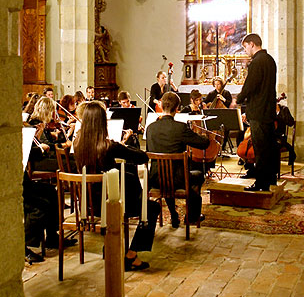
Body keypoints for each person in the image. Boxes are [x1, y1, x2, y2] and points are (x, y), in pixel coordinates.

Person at [73, 101, 160, 271]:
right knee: (152, 208)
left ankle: (112, 247)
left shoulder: (77, 144)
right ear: (101, 123)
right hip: (111, 203)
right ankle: (131, 254)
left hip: (90, 203)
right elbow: (142, 157)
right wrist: (123, 144)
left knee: (126, 172)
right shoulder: (108, 146)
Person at [146, 92, 209, 228]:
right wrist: (202, 133)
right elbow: (204, 143)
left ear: (161, 106)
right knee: (198, 175)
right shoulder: (180, 128)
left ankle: (174, 214)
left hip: (155, 178)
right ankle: (192, 216)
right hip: (178, 179)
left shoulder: (150, 128)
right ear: (177, 109)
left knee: (166, 174)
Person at [233, 33, 279, 191]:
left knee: (259, 150)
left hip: (258, 112)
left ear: (252, 44)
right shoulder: (270, 60)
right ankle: (271, 179)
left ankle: (261, 184)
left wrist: (237, 99)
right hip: (268, 111)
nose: (245, 50)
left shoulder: (256, 62)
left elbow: (250, 86)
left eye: (245, 47)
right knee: (270, 147)